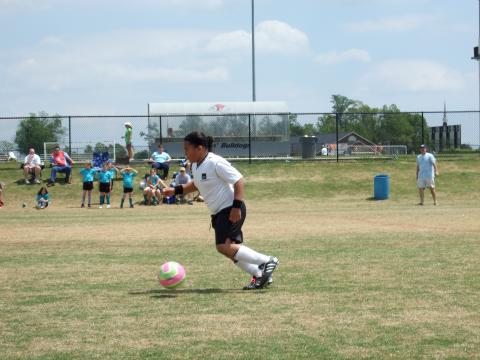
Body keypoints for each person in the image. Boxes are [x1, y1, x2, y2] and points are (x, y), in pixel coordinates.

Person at [163, 132, 279, 290]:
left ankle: (267, 261)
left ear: (200, 148)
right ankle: (260, 275)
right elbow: (196, 184)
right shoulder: (196, 165)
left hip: (230, 208)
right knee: (229, 250)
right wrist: (175, 190)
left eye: (187, 148)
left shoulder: (215, 162)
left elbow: (238, 180)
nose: (185, 152)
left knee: (223, 247)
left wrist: (236, 206)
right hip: (219, 212)